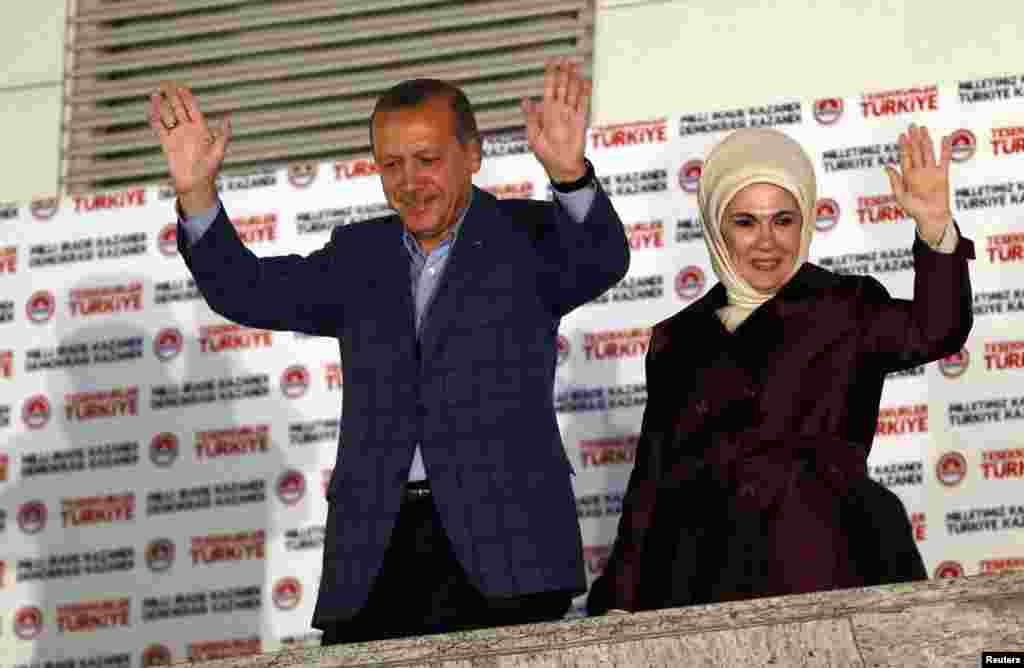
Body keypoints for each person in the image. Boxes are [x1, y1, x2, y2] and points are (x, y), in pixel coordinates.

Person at [148, 59, 630, 643]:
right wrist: (196, 191)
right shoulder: (359, 253)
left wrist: (570, 175)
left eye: (427, 160)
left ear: (472, 156)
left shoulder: (527, 236)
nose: (409, 181)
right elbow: (242, 289)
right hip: (375, 555)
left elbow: (601, 260)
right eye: (391, 164)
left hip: (510, 552)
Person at [587, 125, 974, 615]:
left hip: (824, 566)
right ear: (715, 226)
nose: (767, 242)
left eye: (783, 220)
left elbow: (937, 329)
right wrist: (620, 602)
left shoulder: (846, 305)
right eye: (746, 222)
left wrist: (936, 230)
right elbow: (651, 483)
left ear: (805, 220)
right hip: (701, 583)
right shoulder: (676, 339)